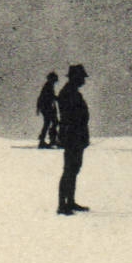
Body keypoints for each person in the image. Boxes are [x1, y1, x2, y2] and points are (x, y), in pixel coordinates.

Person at [55, 64, 91, 214]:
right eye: (82, 77)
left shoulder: (72, 92)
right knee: (69, 170)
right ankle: (63, 205)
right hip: (72, 135)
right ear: (75, 77)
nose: (84, 80)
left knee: (74, 169)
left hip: (76, 135)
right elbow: (70, 116)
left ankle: (69, 201)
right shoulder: (68, 93)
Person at [35, 71, 60, 148]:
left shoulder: (48, 86)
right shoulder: (48, 86)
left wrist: (38, 108)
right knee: (52, 122)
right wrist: (59, 98)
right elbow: (49, 97)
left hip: (46, 108)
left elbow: (41, 98)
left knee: (49, 123)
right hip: (47, 108)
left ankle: (46, 140)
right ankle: (50, 140)